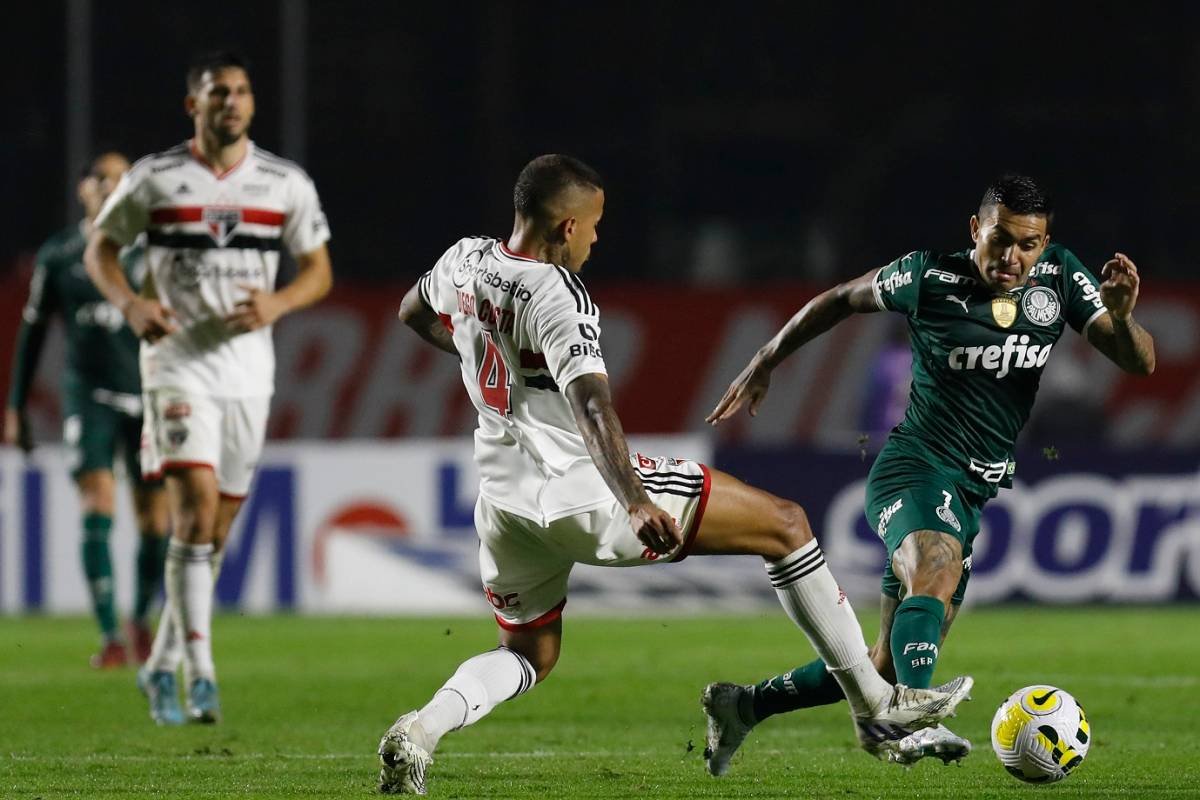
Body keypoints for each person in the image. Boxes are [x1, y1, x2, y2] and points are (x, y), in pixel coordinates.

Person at [378, 154, 973, 795]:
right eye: (596, 224)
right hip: (586, 491)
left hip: (503, 503)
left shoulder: (465, 258)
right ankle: (877, 707)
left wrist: (480, 355)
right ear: (568, 225)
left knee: (530, 654)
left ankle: (421, 730)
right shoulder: (557, 292)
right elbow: (592, 405)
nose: (599, 238)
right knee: (787, 525)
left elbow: (414, 311)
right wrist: (633, 500)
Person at [701, 174, 1155, 772]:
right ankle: (913, 713)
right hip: (914, 466)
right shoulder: (926, 275)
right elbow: (840, 298)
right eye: (1001, 240)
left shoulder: (1060, 277)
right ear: (976, 230)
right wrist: (766, 359)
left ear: (1045, 244)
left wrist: (1121, 317)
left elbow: (1138, 362)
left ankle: (743, 706)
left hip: (973, 489)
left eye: (1029, 244)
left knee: (884, 662)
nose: (1013, 257)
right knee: (933, 567)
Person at [84, 51, 332, 725]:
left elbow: (318, 271)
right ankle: (201, 675)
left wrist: (279, 305)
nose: (232, 101)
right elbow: (100, 250)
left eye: (242, 91)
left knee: (213, 536)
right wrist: (133, 305)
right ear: (193, 106)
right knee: (191, 514)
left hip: (250, 373)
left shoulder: (284, 183)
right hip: (177, 366)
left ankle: (159, 662)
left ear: (252, 105)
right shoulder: (155, 178)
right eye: (218, 92)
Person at [5, 151, 169, 668]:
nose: (110, 186)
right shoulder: (60, 255)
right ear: (83, 189)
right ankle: (110, 637)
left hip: (148, 397)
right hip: (89, 396)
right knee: (97, 501)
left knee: (153, 518)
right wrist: (16, 406)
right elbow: (31, 334)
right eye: (101, 178)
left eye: (121, 179)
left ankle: (140, 620)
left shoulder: (153, 253)